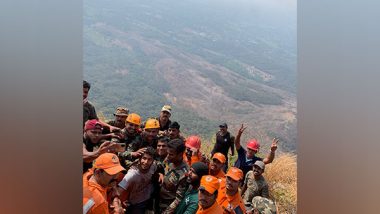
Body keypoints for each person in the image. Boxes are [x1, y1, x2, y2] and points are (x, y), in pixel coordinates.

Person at [117, 147, 157, 214]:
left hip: (148, 199)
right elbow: (118, 191)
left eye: (149, 159)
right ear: (139, 159)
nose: (146, 162)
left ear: (153, 160)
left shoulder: (154, 166)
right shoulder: (132, 175)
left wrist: (160, 173)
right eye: (144, 158)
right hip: (135, 204)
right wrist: (118, 203)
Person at [159, 139, 189, 213]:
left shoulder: (184, 173)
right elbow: (161, 167)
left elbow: (178, 199)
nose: (168, 156)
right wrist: (160, 174)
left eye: (171, 154)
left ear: (180, 154)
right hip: (158, 200)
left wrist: (166, 212)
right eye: (168, 153)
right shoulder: (169, 159)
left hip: (167, 207)